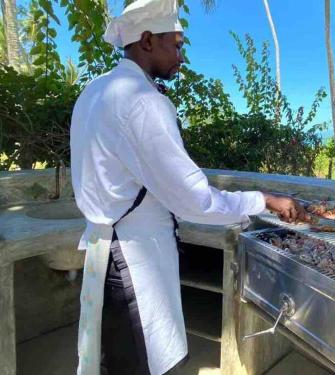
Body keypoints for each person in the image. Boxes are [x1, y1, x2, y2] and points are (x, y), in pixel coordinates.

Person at [70, 0, 308, 374]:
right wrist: (264, 199)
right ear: (147, 40)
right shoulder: (144, 102)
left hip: (103, 251)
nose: (183, 56)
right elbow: (193, 200)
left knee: (113, 358)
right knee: (140, 362)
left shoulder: (93, 91)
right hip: (132, 261)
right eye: (177, 45)